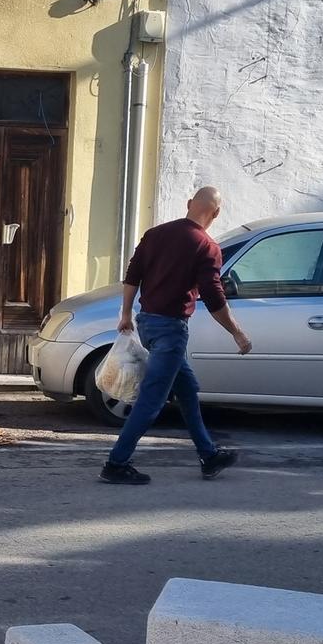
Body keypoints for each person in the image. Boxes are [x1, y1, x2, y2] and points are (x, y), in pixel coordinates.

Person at [100, 186, 252, 485]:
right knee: (151, 400)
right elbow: (213, 296)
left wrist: (126, 314)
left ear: (188, 204)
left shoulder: (155, 234)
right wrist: (237, 333)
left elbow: (133, 274)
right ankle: (116, 463)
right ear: (217, 213)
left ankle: (209, 456)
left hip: (147, 323)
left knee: (187, 390)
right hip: (171, 329)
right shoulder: (207, 246)